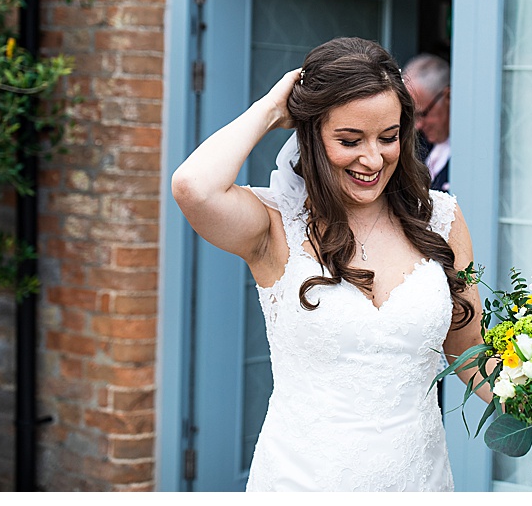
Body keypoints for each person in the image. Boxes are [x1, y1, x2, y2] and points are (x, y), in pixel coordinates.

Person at [171, 37, 483, 491]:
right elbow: (192, 187)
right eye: (349, 140)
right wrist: (271, 109)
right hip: (303, 482)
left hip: (418, 481)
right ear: (312, 135)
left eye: (389, 137)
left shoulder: (441, 219)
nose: (373, 159)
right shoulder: (275, 227)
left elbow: (468, 349)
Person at [403, 53, 452, 193]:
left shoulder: (472, 151)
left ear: (448, 96)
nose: (417, 126)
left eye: (423, 114)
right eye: (413, 117)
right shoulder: (415, 147)